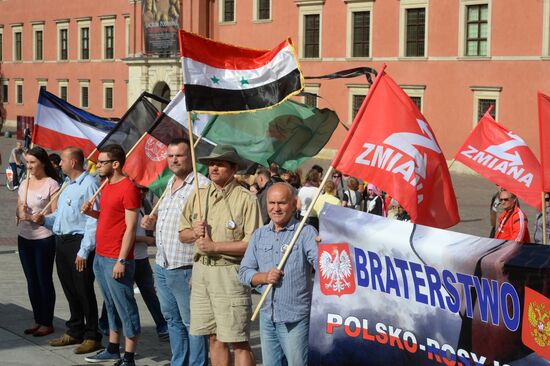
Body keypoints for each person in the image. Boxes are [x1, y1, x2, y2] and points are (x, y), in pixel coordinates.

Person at [179, 144, 262, 366]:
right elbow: (182, 233)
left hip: (229, 275)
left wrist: (215, 247)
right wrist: (192, 233)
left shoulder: (246, 199)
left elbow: (252, 244)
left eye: (220, 164)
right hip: (202, 273)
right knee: (213, 337)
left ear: (234, 169)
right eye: (211, 164)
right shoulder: (198, 195)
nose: (214, 168)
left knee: (238, 340)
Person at [141, 138, 210, 366]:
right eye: (170, 156)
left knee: (193, 323)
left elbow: (204, 226)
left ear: (190, 158)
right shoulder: (170, 182)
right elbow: (171, 220)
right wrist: (153, 221)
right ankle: (179, 361)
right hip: (163, 264)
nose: (174, 160)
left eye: (179, 155)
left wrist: (200, 269)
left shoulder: (201, 186)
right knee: (172, 320)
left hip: (186, 266)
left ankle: (197, 363)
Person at [31, 147, 102, 354]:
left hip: (78, 243)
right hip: (61, 242)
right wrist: (44, 219)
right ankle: (75, 330)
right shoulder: (67, 184)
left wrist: (84, 250)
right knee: (70, 289)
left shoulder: (89, 185)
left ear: (73, 163)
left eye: (62, 160)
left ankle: (92, 335)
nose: (59, 164)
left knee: (84, 290)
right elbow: (60, 217)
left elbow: (92, 220)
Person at [239, 183, 318, 366]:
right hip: (268, 316)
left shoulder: (305, 233)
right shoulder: (259, 235)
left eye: (282, 203)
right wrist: (264, 277)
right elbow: (244, 272)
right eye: (271, 203)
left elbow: (323, 267)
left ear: (294, 204)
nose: (276, 208)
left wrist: (325, 250)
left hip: (295, 319)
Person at [81, 144, 141, 366]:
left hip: (116, 258)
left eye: (102, 162)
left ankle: (130, 357)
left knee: (126, 306)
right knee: (111, 305)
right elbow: (109, 217)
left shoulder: (128, 188)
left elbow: (131, 228)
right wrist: (91, 212)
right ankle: (113, 348)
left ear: (115, 164)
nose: (97, 166)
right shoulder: (106, 185)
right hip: (101, 255)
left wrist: (122, 260)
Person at [17, 146, 60, 337]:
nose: (29, 166)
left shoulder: (52, 184)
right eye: (27, 162)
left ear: (42, 163)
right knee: (31, 281)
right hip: (25, 237)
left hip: (44, 238)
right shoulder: (24, 182)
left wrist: (42, 218)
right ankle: (37, 318)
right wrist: (22, 213)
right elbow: (18, 209)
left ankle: (47, 321)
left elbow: (56, 213)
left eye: (32, 162)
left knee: (43, 280)